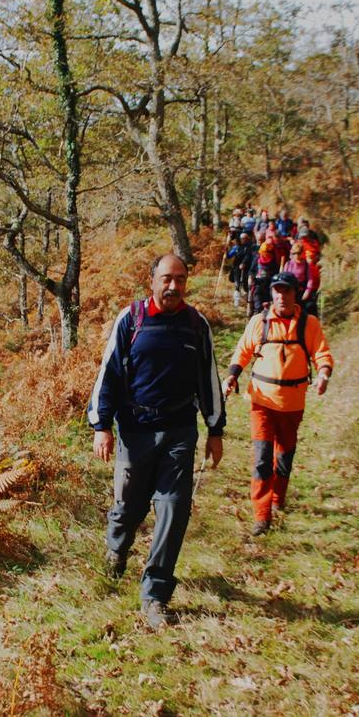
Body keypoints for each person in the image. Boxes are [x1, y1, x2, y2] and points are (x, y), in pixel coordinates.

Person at [88, 253, 225, 629]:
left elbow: (208, 379)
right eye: (167, 278)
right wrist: (102, 426)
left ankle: (155, 596)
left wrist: (215, 429)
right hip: (135, 429)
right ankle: (117, 550)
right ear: (152, 281)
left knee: (174, 509)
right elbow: (109, 374)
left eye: (180, 279)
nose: (173, 286)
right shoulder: (131, 319)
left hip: (180, 430)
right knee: (128, 507)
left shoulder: (196, 325)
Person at [223, 272, 334, 536]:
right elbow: (243, 350)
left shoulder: (309, 324)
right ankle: (261, 516)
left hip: (293, 402)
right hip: (261, 399)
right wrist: (232, 375)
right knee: (262, 458)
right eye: (277, 291)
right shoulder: (259, 322)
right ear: (271, 293)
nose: (281, 296)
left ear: (295, 294)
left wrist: (324, 374)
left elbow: (321, 353)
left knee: (284, 456)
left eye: (286, 291)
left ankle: (277, 499)